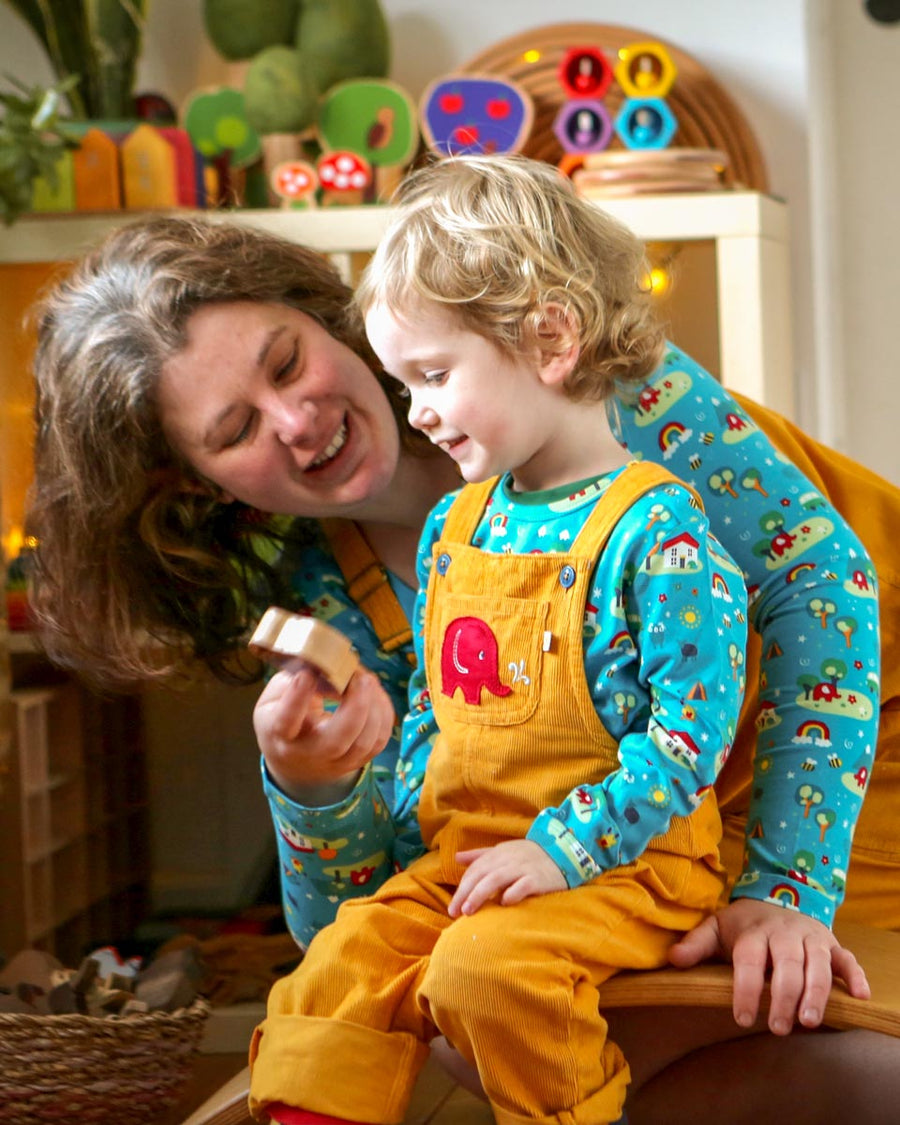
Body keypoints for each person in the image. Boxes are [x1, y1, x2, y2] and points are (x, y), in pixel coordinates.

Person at [23, 181, 898, 1121]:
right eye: (234, 431)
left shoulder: (586, 389)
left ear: (330, 320)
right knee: (461, 1016)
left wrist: (787, 885)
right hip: (619, 850)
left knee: (761, 1034)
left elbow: (819, 589)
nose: (294, 420)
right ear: (199, 489)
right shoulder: (336, 603)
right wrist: (319, 790)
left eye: (286, 362)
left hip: (845, 761)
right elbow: (369, 933)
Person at [246, 152, 750, 1125]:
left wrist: (562, 849)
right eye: (406, 382)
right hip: (470, 858)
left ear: (550, 339)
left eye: (433, 374)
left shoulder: (663, 533)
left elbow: (691, 744)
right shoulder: (457, 527)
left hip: (628, 866)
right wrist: (404, 771)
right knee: (340, 962)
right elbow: (444, 699)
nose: (419, 411)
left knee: (482, 972)